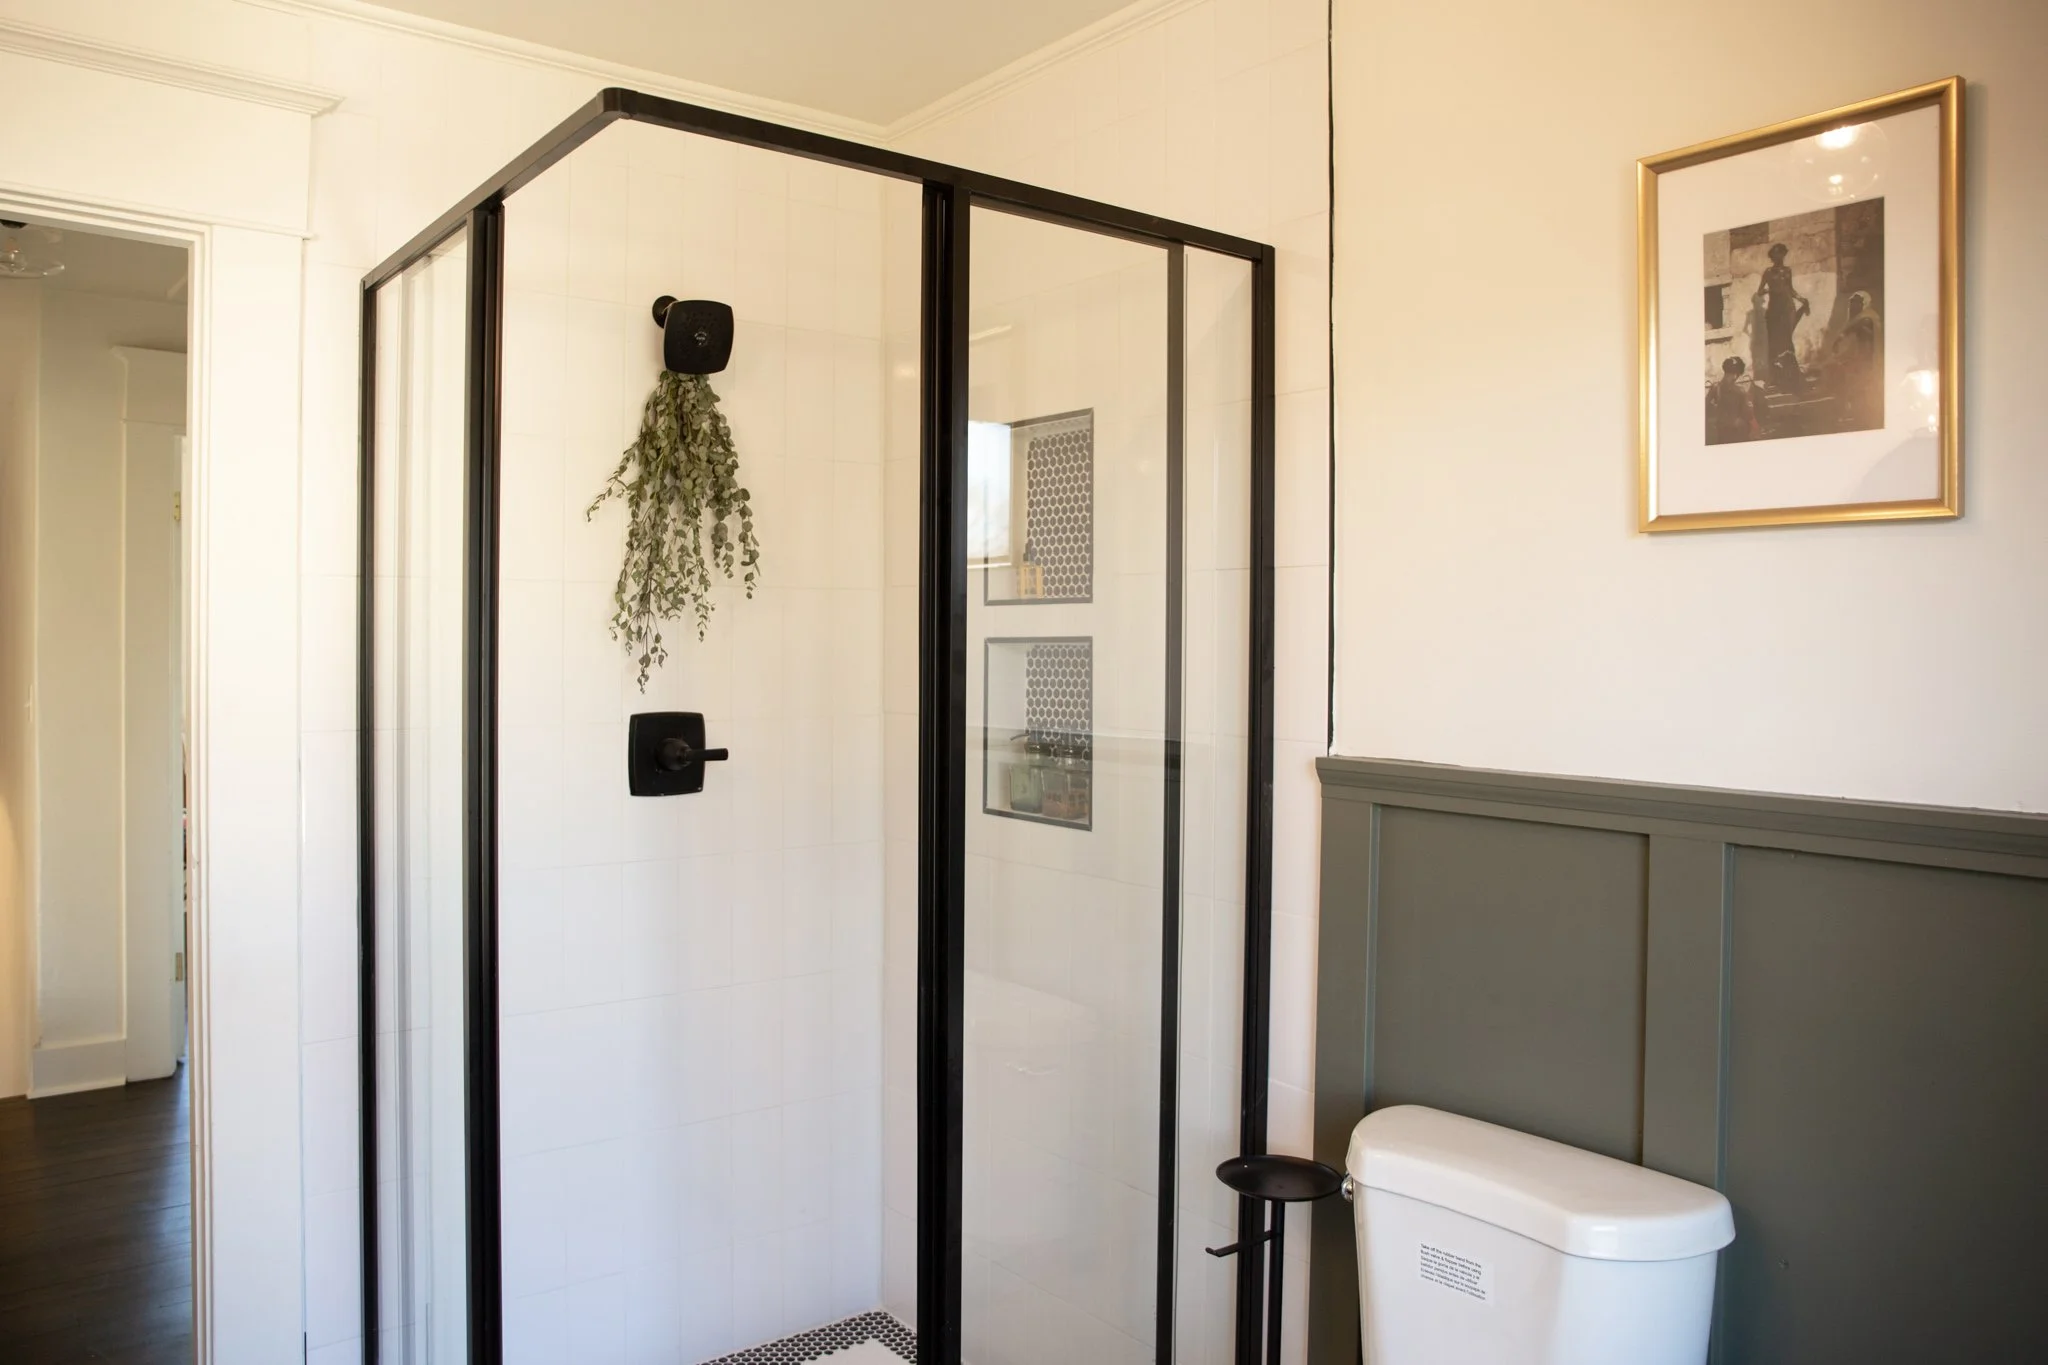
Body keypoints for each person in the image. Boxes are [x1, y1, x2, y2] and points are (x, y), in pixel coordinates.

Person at [1754, 243, 1810, 393]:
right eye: (1777, 255)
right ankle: (1776, 377)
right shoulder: (1768, 272)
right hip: (1774, 310)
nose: (1780, 258)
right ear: (1773, 257)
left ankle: (1791, 376)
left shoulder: (1787, 271)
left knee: (1786, 342)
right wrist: (1768, 290)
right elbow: (1759, 291)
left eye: (1782, 254)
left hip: (1786, 307)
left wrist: (1801, 299)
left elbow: (1790, 289)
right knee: (1774, 344)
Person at [1827, 289, 1883, 428]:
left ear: (1864, 304)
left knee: (1860, 389)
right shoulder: (1861, 320)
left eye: (1857, 303)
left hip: (1867, 364)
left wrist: (1851, 359)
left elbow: (1866, 347)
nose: (1853, 307)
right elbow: (1848, 334)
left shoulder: (1866, 320)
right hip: (1860, 362)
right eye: (1852, 303)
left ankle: (1860, 416)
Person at [1707, 356, 1759, 443]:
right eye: (1736, 374)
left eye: (1737, 374)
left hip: (1728, 430)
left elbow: (1706, 407)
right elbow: (1748, 414)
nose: (1736, 377)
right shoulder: (1739, 390)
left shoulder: (1716, 388)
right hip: (1732, 431)